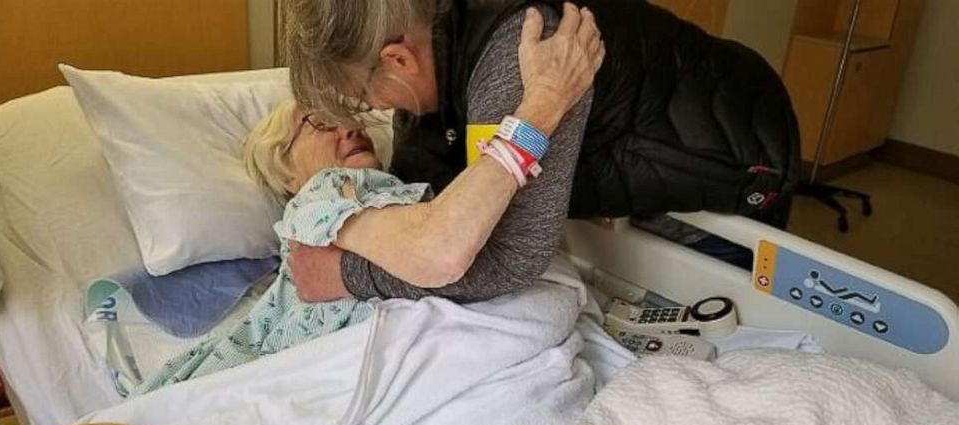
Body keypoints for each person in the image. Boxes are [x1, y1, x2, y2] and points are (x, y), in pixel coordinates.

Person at [130, 15, 602, 394]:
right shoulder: (320, 200)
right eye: (318, 122)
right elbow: (443, 251)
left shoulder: (399, 191)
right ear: (287, 174)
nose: (348, 127)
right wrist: (542, 104)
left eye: (347, 116)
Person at [282, 0, 799, 304]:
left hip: (724, 149)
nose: (368, 113)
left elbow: (509, 259)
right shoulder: (434, 60)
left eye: (363, 98)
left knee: (727, 305)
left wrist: (346, 275)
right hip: (641, 132)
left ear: (397, 59)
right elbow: (424, 199)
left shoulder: (523, 57)